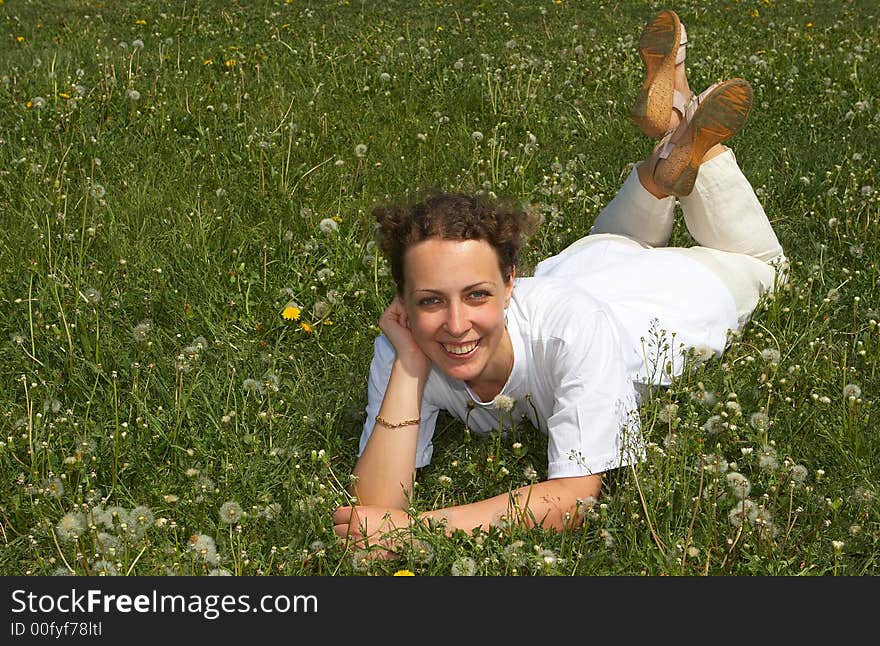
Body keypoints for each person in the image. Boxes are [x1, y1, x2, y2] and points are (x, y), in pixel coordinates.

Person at [332, 9, 787, 555]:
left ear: (509, 283)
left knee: (765, 266)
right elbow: (373, 507)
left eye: (476, 295)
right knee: (613, 239)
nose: (454, 325)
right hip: (589, 263)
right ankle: (671, 134)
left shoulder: (572, 331)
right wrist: (408, 362)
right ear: (402, 302)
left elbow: (574, 498)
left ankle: (686, 141)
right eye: (430, 301)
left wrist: (418, 531)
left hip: (671, 291)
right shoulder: (408, 337)